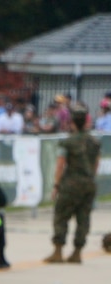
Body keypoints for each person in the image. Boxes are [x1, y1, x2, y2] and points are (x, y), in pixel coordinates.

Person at [45, 104, 100, 265]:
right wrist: (90, 177)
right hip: (89, 183)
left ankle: (58, 251)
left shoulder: (68, 142)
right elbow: (96, 163)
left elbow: (60, 165)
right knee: (83, 218)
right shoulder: (95, 142)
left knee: (61, 216)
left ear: (72, 122)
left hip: (71, 184)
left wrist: (56, 185)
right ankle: (77, 252)